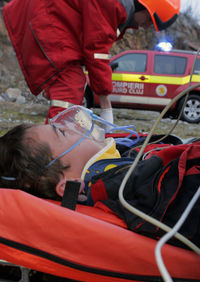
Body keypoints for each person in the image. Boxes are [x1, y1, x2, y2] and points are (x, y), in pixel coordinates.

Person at [0, 105, 199, 249]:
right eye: (62, 131)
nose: (72, 126)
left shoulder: (123, 158)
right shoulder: (128, 188)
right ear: (68, 184)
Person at [2, 0, 180, 124]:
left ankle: (55, 148)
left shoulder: (116, 7)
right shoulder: (113, 5)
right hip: (45, 18)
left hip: (46, 16)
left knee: (70, 88)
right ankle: (52, 159)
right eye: (149, 21)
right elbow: (97, 52)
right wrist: (106, 106)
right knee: (69, 88)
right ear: (143, 7)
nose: (146, 26)